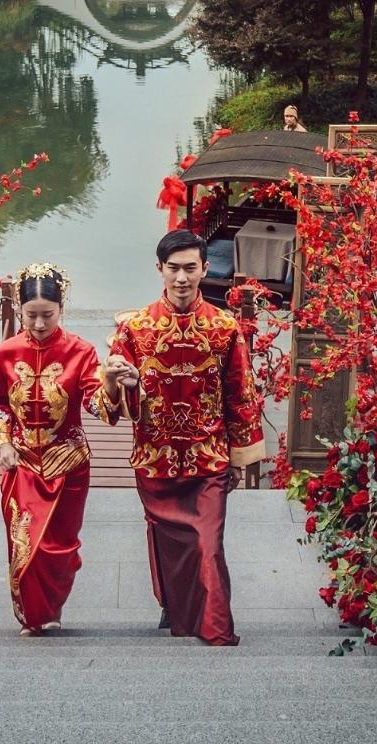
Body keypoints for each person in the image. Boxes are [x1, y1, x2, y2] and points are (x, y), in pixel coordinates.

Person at [93, 229, 264, 646]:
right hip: (156, 458)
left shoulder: (224, 327)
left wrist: (242, 460)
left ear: (205, 268)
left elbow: (240, 393)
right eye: (174, 269)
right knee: (168, 542)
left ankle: (216, 628)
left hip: (209, 458)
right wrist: (123, 384)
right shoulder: (134, 329)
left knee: (208, 545)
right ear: (160, 270)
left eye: (191, 268)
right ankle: (173, 606)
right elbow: (107, 406)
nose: (182, 278)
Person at [0, 262, 102, 637]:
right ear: (19, 310)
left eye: (47, 315)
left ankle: (54, 605)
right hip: (22, 463)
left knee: (60, 547)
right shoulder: (5, 352)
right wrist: (2, 442)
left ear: (61, 309)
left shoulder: (81, 352)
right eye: (30, 315)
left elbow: (97, 403)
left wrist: (114, 386)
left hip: (67, 461)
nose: (38, 324)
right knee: (25, 543)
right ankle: (34, 617)